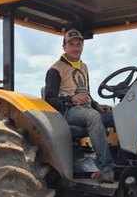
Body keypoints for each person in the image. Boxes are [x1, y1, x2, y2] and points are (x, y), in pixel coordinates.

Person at [44, 29, 115, 182]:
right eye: (72, 45)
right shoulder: (56, 70)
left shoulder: (83, 67)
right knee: (93, 117)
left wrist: (97, 104)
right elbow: (49, 100)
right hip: (68, 111)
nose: (76, 48)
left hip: (87, 109)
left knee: (118, 115)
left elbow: (85, 93)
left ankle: (125, 162)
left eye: (79, 44)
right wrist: (71, 99)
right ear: (64, 47)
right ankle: (106, 169)